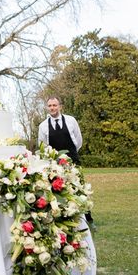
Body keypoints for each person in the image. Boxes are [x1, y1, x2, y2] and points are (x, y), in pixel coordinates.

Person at [38, 96, 95, 228]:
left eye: (55, 105)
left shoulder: (71, 120)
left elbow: (78, 141)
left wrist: (71, 155)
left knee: (80, 188)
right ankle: (63, 218)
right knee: (59, 190)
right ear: (47, 107)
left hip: (73, 160)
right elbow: (42, 146)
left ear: (60, 106)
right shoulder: (43, 126)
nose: (52, 108)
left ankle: (89, 220)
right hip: (55, 164)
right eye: (50, 106)